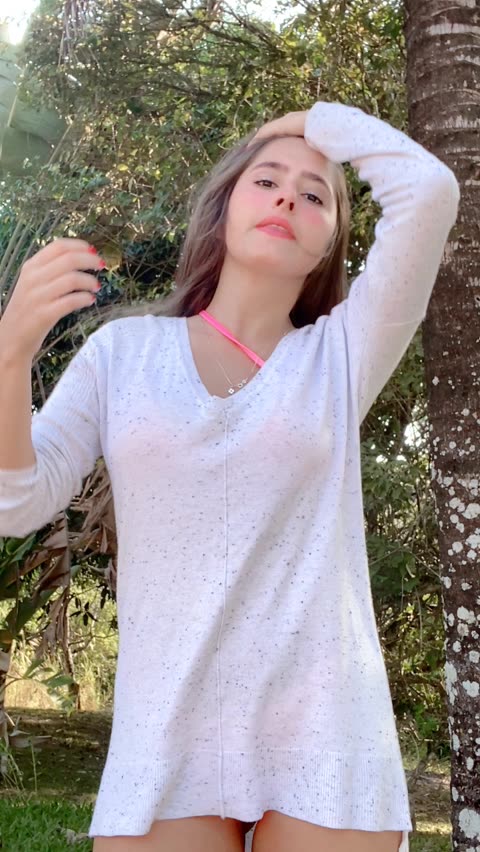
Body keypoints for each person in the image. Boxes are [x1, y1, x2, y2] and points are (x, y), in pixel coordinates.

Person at [0, 100, 460, 852]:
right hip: (166, 732)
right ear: (222, 210)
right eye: (266, 180)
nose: (287, 199)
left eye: (314, 195)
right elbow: (16, 503)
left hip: (327, 729)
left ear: (330, 244)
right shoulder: (122, 354)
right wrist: (10, 354)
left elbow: (429, 188)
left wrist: (310, 120)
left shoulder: (341, 355)